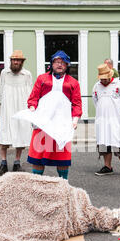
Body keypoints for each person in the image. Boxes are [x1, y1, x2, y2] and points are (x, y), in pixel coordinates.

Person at [26, 50, 82, 180]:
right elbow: (33, 97)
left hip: (62, 125)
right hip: (43, 123)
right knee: (38, 157)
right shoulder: (42, 79)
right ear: (51, 64)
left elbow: (77, 104)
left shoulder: (73, 83)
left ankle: (63, 184)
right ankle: (36, 184)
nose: (60, 65)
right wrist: (32, 109)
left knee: (62, 158)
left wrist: (75, 119)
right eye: (57, 62)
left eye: (63, 62)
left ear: (67, 65)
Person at [93, 63, 120, 178]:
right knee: (104, 143)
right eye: (102, 79)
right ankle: (108, 167)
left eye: (105, 79)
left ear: (110, 76)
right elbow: (96, 101)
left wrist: (117, 112)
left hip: (116, 119)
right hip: (102, 120)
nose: (104, 81)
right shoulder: (96, 86)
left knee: (119, 143)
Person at [0, 50, 33, 176]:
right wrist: (5, 103)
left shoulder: (27, 74)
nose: (16, 62)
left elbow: (30, 91)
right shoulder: (4, 73)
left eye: (18, 60)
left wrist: (29, 109)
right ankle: (3, 163)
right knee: (5, 133)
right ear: (10, 61)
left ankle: (17, 162)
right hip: (7, 107)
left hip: (21, 107)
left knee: (20, 133)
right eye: (13, 60)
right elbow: (1, 90)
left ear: (22, 62)